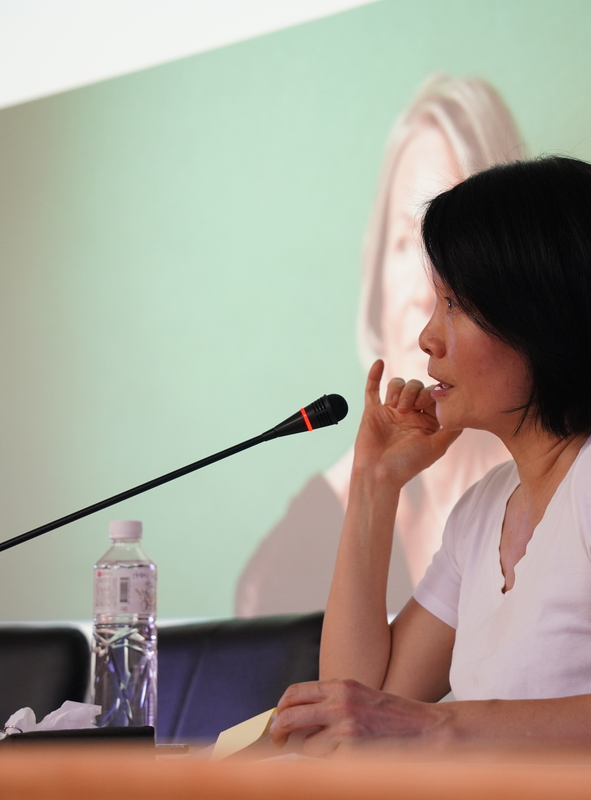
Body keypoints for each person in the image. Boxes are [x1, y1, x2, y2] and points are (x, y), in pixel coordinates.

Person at [268, 157, 591, 753]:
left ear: (544, 321)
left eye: (456, 304)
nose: (428, 337)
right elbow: (357, 706)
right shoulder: (483, 509)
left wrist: (440, 727)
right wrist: (375, 482)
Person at [235, 75, 523, 616]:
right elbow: (365, 689)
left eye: (448, 245)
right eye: (402, 241)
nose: (422, 290)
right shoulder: (318, 527)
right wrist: (371, 478)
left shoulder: (566, 484)